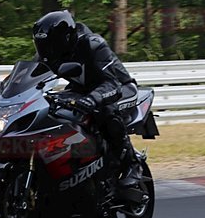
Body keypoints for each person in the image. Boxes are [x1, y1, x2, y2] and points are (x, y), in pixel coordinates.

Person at [32, 10, 143, 186]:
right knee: (52, 109)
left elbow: (112, 84)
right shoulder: (48, 53)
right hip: (82, 90)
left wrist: (93, 99)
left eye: (50, 43)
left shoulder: (93, 44)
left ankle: (132, 165)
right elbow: (31, 76)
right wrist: (7, 88)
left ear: (66, 37)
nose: (46, 49)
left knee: (106, 110)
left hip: (120, 88)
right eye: (42, 44)